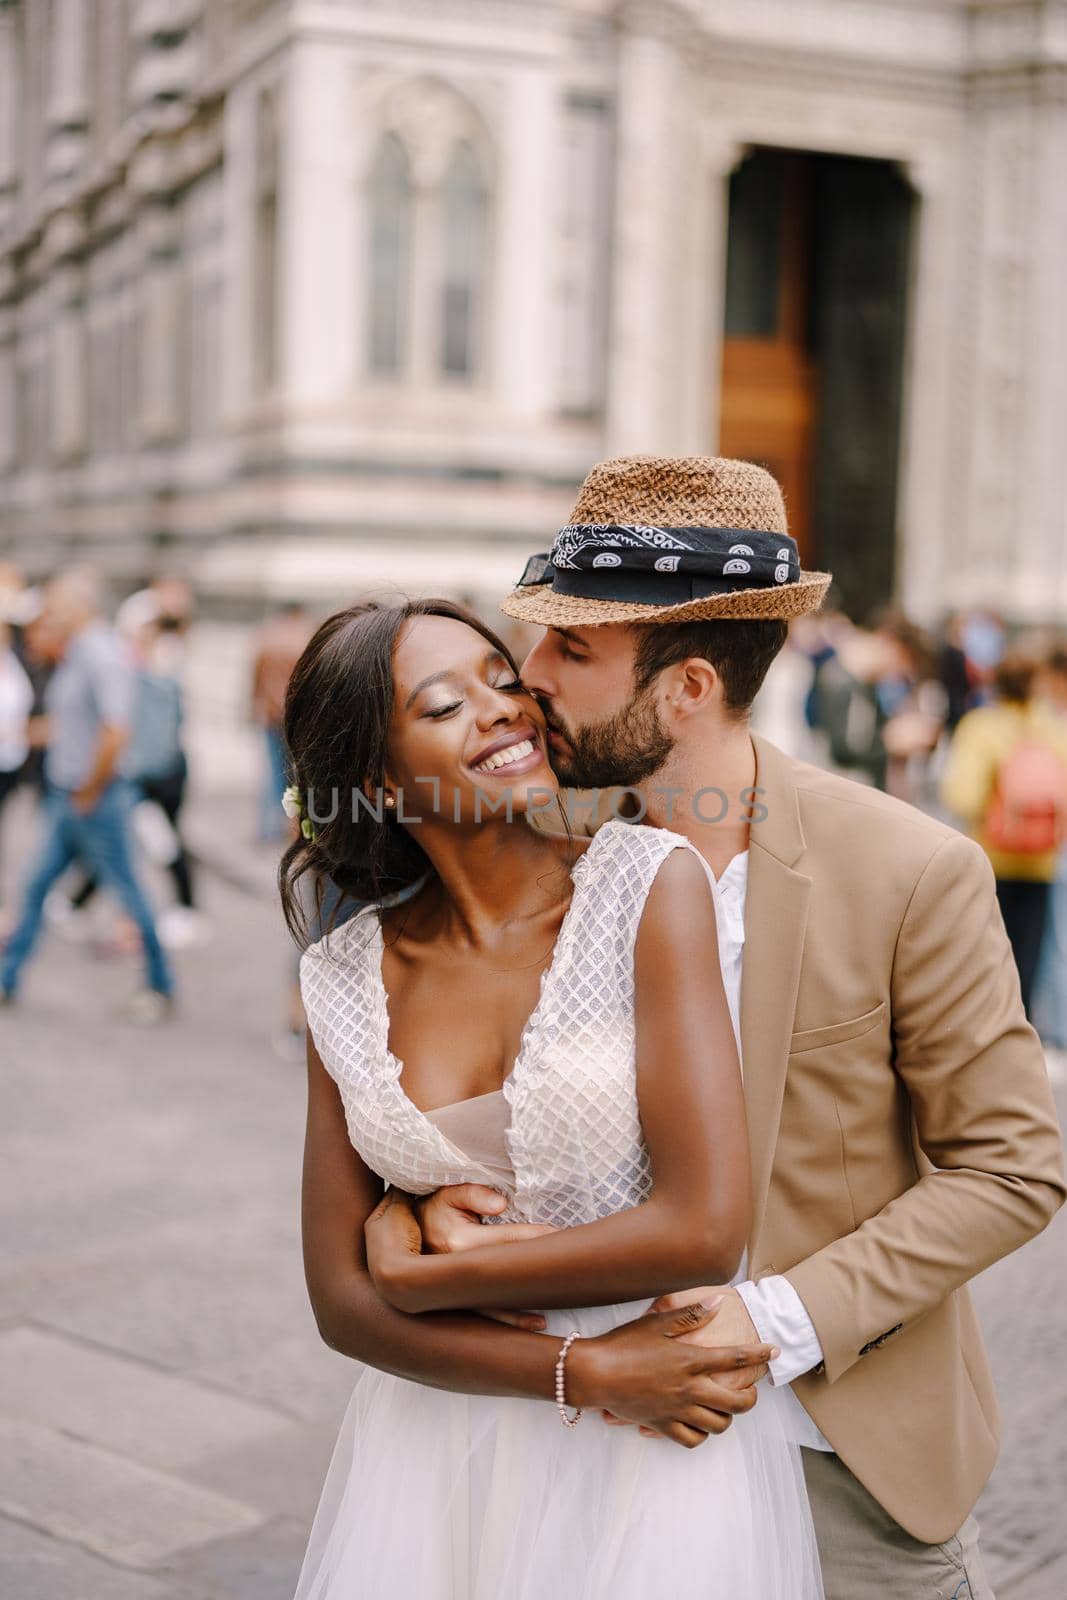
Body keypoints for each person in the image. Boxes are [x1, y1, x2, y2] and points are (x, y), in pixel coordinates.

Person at [416, 454, 1063, 1600]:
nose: (529, 678)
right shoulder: (526, 848)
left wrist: (773, 1318)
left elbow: (1013, 1165)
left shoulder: (911, 870)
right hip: (580, 1431)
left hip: (842, 1451)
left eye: (572, 649)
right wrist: (407, 1218)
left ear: (686, 686)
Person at [284, 598, 823, 1599]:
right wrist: (582, 1369)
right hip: (438, 1443)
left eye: (502, 679)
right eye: (446, 704)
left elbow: (705, 1227)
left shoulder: (646, 884)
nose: (503, 708)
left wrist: (421, 1274)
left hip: (646, 1442)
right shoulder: (340, 975)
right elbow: (337, 1303)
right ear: (374, 780)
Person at [0, 569, 174, 1022]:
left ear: (79, 606)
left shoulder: (100, 654)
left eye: (56, 605)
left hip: (94, 797)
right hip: (71, 795)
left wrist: (90, 789)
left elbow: (116, 732)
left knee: (129, 893)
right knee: (36, 885)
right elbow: (76, 724)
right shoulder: (79, 653)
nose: (48, 615)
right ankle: (7, 978)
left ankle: (159, 985)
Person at [941, 650, 1067, 1018]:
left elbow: (962, 795)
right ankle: (1022, 1031)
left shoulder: (982, 726)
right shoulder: (1052, 729)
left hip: (989, 859)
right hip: (1040, 861)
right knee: (1027, 960)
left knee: (983, 958)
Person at [251, 601, 312, 842]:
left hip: (269, 713)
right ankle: (293, 826)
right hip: (297, 715)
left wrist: (254, 703)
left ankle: (267, 827)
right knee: (297, 774)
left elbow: (255, 676)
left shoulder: (267, 637)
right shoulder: (307, 636)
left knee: (272, 770)